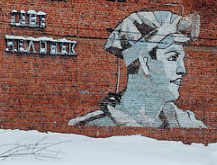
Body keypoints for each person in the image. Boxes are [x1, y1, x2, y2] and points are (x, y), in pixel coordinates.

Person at [69, 10, 207, 128]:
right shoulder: (91, 126)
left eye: (181, 59)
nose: (182, 70)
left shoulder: (189, 124)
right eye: (172, 58)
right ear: (143, 63)